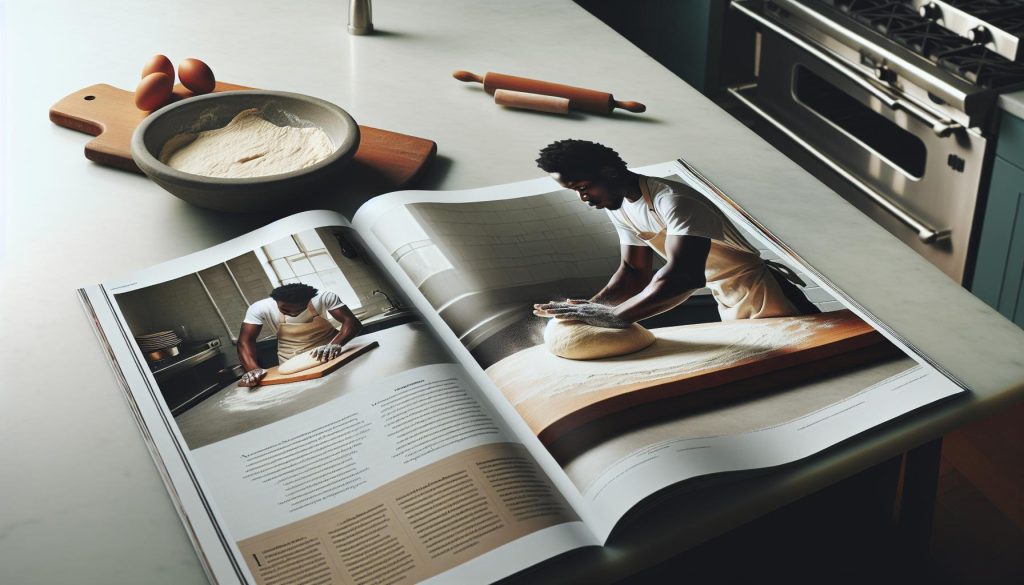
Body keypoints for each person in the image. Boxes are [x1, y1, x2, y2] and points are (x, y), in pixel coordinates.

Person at [532, 139, 819, 329]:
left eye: (583, 187)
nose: (583, 198)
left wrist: (615, 316)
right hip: (727, 298)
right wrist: (590, 308)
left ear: (609, 172)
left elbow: (684, 275)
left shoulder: (672, 200)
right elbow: (633, 271)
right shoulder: (619, 206)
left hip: (766, 293)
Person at [237, 283, 362, 387]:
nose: (292, 313)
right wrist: (253, 369)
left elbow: (352, 322)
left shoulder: (324, 297)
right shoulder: (260, 308)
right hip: (293, 361)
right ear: (276, 302)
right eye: (285, 310)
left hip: (332, 354)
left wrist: (335, 345)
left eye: (300, 309)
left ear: (309, 300)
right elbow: (246, 340)